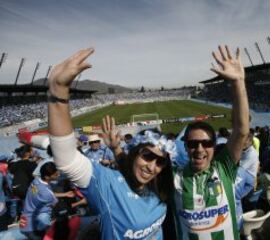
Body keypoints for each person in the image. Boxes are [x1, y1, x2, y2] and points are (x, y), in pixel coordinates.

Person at [47, 48, 174, 239]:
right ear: (136, 153)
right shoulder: (109, 185)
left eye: (160, 161)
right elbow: (67, 159)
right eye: (147, 155)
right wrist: (58, 92)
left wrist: (116, 149)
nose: (152, 166)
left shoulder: (159, 184)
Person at [172, 45, 249, 239]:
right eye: (192, 144)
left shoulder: (224, 168)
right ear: (185, 147)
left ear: (214, 147)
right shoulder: (173, 177)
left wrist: (238, 82)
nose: (199, 149)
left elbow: (241, 131)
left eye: (206, 144)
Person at [20, 162, 74, 239]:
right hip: (35, 228)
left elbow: (45, 194)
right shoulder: (47, 194)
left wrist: (65, 194)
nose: (58, 175)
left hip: (24, 222)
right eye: (55, 174)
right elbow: (53, 203)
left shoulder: (35, 182)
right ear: (47, 177)